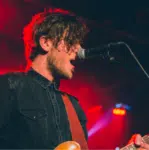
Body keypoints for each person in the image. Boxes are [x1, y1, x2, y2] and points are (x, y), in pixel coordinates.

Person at [0, 8, 88, 149]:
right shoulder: (9, 86)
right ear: (46, 43)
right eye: (71, 42)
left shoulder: (73, 106)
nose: (78, 50)